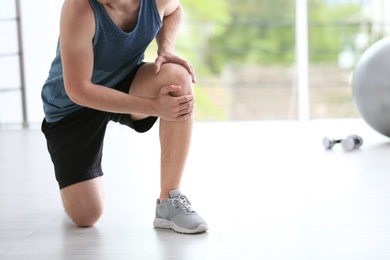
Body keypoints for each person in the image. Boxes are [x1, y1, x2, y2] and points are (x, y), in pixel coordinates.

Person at [41, 0, 208, 234]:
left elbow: (175, 9)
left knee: (177, 79)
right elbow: (79, 90)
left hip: (124, 81)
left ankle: (169, 200)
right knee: (87, 215)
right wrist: (154, 106)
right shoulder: (79, 8)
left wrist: (166, 49)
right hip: (71, 107)